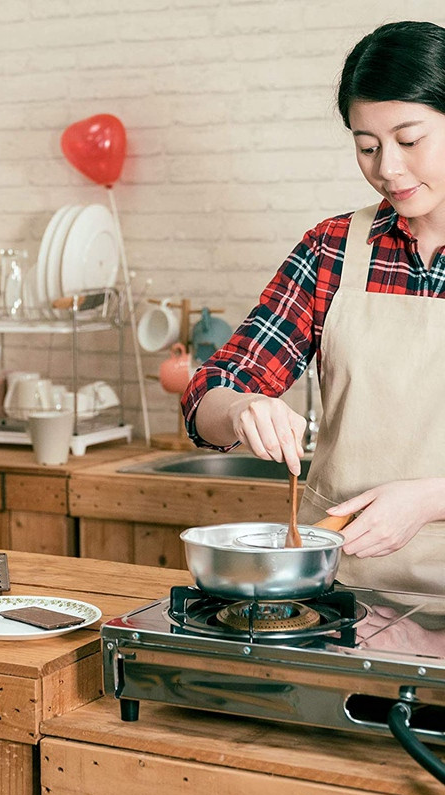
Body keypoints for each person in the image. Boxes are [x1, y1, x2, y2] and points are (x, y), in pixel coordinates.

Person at [181, 20, 445, 595]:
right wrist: (243, 406)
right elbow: (209, 392)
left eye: (410, 139)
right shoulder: (334, 249)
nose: (388, 169)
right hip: (346, 592)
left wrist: (429, 499)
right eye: (367, 146)